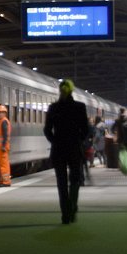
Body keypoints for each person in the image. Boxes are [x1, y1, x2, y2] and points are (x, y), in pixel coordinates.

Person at [43, 79, 90, 224]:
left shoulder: (54, 108)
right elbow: (86, 129)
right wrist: (79, 140)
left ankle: (65, 214)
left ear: (60, 91)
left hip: (58, 150)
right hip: (74, 148)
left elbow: (47, 130)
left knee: (61, 182)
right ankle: (72, 207)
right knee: (75, 180)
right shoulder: (79, 107)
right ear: (71, 90)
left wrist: (54, 141)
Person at [0, 104, 11, 187]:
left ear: (5, 113)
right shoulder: (1, 122)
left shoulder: (4, 122)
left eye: (0, 112)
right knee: (1, 165)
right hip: (0, 148)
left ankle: (6, 182)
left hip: (3, 148)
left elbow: (5, 135)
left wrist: (4, 146)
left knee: (4, 165)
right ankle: (2, 181)